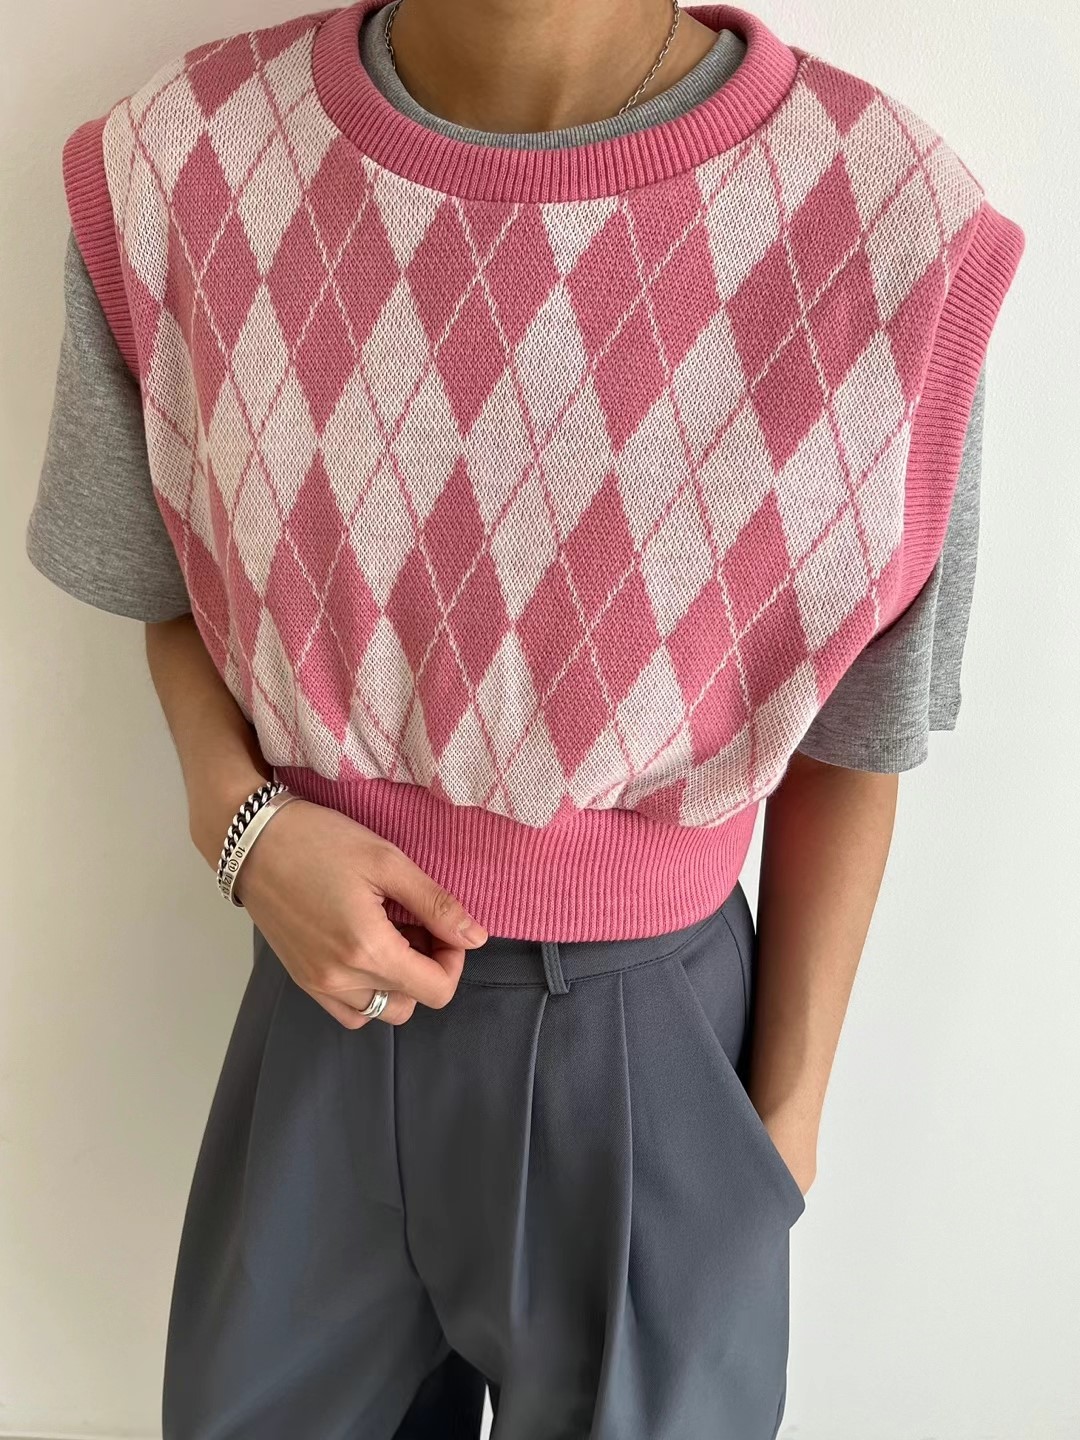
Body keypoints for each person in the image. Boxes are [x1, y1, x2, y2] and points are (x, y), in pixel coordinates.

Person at [24, 0, 1024, 1435]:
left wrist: (781, 1131)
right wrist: (239, 825)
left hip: (656, 1060)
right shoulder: (186, 159)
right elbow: (161, 575)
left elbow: (862, 729)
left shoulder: (886, 223)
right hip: (316, 1012)